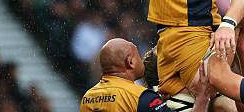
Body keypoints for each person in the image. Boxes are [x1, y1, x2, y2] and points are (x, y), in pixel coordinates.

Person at [80, 38, 209, 112]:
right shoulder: (140, 97)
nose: (141, 58)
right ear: (130, 62)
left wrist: (157, 104)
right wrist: (202, 97)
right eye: (137, 54)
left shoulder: (88, 97)